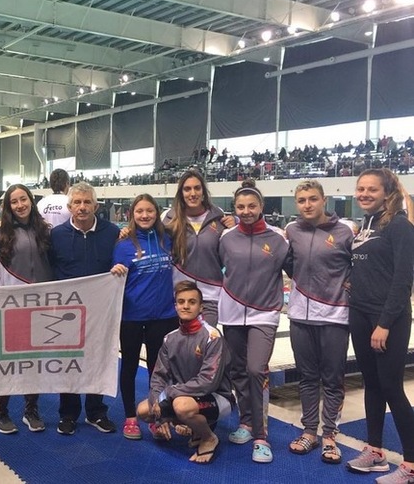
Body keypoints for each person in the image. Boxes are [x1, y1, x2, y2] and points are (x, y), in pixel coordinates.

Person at [345, 169, 414, 484]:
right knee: (371, 385)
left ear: (387, 194)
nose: (364, 194)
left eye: (371, 189)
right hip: (359, 313)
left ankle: (411, 465)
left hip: (388, 319)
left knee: (391, 388)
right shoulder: (365, 226)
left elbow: (403, 280)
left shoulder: (400, 226)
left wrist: (384, 323)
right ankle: (374, 452)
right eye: (360, 189)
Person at [218, 179, 288, 464]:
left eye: (252, 206)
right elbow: (219, 267)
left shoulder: (278, 238)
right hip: (232, 311)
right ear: (234, 208)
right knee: (237, 370)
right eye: (240, 207)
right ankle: (246, 422)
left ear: (261, 207)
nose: (246, 211)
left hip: (264, 313)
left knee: (255, 369)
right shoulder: (227, 237)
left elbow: (297, 268)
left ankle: (261, 436)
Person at [284, 180, 354, 464]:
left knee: (332, 378)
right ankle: (310, 431)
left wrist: (352, 282)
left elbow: (361, 262)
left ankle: (330, 435)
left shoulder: (345, 231)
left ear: (324, 200)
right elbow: (286, 262)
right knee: (308, 378)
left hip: (336, 315)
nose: (307, 205)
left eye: (313, 199)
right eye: (302, 200)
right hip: (300, 314)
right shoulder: (291, 231)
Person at [49, 181, 120, 436]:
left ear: (96, 206)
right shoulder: (56, 236)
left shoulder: (112, 233)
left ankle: (96, 411)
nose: (82, 207)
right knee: (68, 362)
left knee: (99, 360)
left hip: (101, 313)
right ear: (69, 207)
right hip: (67, 314)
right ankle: (68, 413)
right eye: (77, 202)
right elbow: (48, 272)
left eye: (87, 202)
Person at [136, 280, 233, 464]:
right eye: (181, 302)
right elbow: (158, 377)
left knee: (181, 406)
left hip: (217, 397)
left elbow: (207, 382)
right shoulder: (170, 339)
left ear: (201, 307)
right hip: (183, 396)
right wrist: (159, 411)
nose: (186, 306)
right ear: (175, 306)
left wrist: (168, 396)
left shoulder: (212, 337)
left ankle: (208, 437)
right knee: (143, 410)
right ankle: (188, 425)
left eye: (192, 302)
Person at [0, 184, 53, 434]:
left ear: (31, 200)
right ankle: (0, 411)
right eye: (14, 202)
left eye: (23, 199)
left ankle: (31, 409)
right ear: (8, 206)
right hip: (11, 307)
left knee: (34, 361)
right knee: (7, 359)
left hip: (40, 305)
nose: (20, 205)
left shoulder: (45, 230)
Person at [110, 194, 177, 440]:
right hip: (131, 317)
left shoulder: (167, 239)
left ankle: (156, 415)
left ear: (156, 212)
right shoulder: (124, 245)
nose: (145, 215)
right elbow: (114, 280)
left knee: (157, 370)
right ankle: (130, 417)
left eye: (149, 211)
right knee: (128, 366)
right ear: (132, 214)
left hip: (164, 316)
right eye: (140, 211)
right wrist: (114, 270)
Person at [163, 169, 235, 326]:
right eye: (187, 189)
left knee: (205, 344)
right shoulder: (170, 218)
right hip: (181, 296)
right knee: (181, 345)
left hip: (210, 296)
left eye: (197, 188)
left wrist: (235, 224)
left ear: (203, 191)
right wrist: (127, 232)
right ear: (181, 193)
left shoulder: (218, 217)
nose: (192, 193)